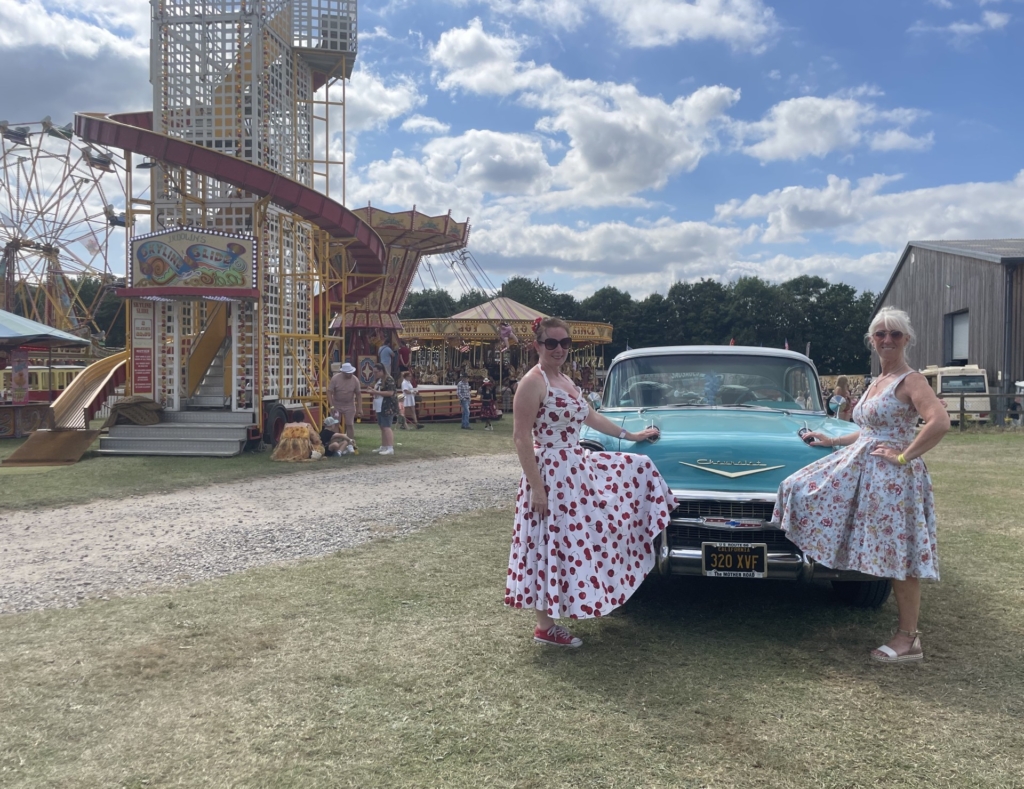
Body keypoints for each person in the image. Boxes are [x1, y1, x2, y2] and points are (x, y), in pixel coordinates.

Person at [773, 307, 950, 663]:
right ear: (871, 340)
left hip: (893, 480)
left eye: (895, 334)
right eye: (880, 334)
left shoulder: (910, 380)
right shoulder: (876, 381)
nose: (887, 340)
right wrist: (833, 441)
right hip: (863, 468)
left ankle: (908, 639)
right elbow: (870, 429)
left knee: (900, 555)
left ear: (907, 339)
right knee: (796, 486)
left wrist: (904, 456)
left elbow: (939, 422)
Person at [505, 316, 673, 648]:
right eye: (551, 343)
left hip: (575, 470)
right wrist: (537, 488)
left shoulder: (564, 380)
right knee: (547, 543)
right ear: (537, 345)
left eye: (565, 343)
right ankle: (544, 626)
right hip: (550, 474)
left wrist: (631, 434)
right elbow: (521, 438)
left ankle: (581, 599)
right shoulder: (533, 382)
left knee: (580, 537)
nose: (559, 349)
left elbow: (591, 417)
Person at [363, 362, 398, 455]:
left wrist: (376, 392)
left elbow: (390, 392)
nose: (375, 374)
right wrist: (373, 391)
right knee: (382, 427)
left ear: (381, 371)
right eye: (373, 372)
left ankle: (390, 447)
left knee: (386, 427)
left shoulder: (389, 379)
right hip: (380, 405)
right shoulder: (380, 380)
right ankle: (384, 446)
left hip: (388, 406)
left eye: (376, 372)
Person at [328, 362, 362, 441]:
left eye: (351, 373)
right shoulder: (335, 379)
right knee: (335, 424)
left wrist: (360, 408)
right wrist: (332, 405)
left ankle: (350, 443)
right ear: (343, 372)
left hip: (349, 404)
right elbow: (329, 392)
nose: (350, 374)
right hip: (337, 404)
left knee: (350, 424)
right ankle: (336, 442)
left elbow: (358, 394)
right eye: (348, 373)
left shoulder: (355, 380)